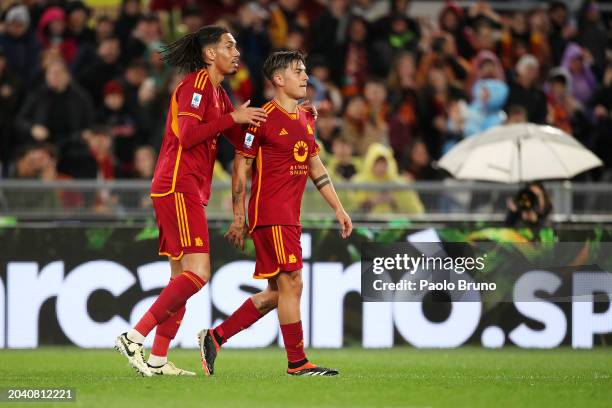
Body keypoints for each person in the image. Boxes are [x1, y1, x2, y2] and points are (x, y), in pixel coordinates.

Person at [114, 25, 269, 377]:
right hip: (177, 185)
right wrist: (233, 118)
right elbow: (186, 136)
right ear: (210, 53)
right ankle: (133, 336)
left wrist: (271, 129)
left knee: (180, 280)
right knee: (198, 273)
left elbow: (237, 137)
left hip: (185, 189)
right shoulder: (197, 86)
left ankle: (157, 359)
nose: (237, 52)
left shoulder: (218, 92)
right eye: (230, 46)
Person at [197, 50, 352, 377]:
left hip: (289, 216)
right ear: (279, 79)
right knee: (293, 283)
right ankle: (297, 362)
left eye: (305, 71)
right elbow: (241, 166)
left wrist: (338, 207)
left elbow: (313, 164)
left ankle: (215, 337)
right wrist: (239, 217)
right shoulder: (262, 117)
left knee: (279, 292)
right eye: (298, 71)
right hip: (270, 213)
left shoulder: (307, 117)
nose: (305, 77)